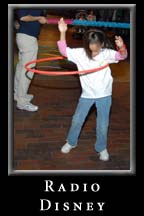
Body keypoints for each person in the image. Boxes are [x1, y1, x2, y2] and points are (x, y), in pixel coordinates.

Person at [57, 18, 127, 161]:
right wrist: (62, 32)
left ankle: (101, 147)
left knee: (103, 124)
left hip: (104, 95)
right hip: (87, 95)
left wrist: (122, 47)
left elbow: (122, 56)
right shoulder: (80, 53)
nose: (93, 48)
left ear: (102, 44)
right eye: (90, 44)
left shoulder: (107, 53)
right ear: (86, 43)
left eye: (96, 45)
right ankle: (71, 142)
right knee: (77, 120)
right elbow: (64, 51)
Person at [14, 9, 47, 111]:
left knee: (21, 67)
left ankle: (18, 94)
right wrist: (39, 18)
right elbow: (23, 17)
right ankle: (22, 102)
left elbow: (19, 14)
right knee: (28, 70)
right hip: (28, 38)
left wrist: (15, 21)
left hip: (25, 37)